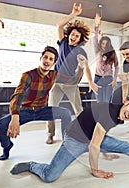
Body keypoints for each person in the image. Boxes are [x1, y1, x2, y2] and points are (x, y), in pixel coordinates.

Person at [10, 99, 129, 181]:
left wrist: (105, 150)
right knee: (50, 176)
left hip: (91, 134)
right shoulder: (109, 112)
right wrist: (96, 170)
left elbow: (98, 136)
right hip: (75, 139)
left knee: (124, 146)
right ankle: (32, 165)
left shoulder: (119, 114)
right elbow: (94, 145)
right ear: (127, 101)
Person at [0, 46, 72, 161]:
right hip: (26, 111)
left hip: (42, 110)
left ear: (54, 63)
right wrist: (15, 116)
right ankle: (7, 147)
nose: (47, 61)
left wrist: (81, 68)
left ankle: (67, 146)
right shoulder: (28, 75)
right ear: (41, 58)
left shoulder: (53, 75)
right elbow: (18, 95)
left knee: (66, 113)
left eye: (51, 59)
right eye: (45, 57)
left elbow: (73, 80)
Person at [47, 3, 99, 144]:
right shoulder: (62, 43)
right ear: (68, 34)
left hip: (71, 84)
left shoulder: (80, 52)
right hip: (56, 82)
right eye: (72, 34)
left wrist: (90, 82)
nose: (73, 37)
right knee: (51, 110)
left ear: (79, 39)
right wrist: (73, 14)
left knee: (79, 110)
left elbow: (86, 67)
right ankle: (50, 134)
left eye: (76, 36)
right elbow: (59, 25)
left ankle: (82, 133)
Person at [93, 13, 119, 103]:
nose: (104, 45)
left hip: (108, 79)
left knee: (108, 102)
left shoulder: (112, 53)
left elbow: (117, 66)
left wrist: (115, 80)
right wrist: (97, 25)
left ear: (109, 44)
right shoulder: (98, 51)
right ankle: (100, 117)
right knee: (99, 101)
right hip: (98, 78)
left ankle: (107, 117)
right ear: (101, 44)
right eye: (103, 43)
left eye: (106, 44)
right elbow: (95, 38)